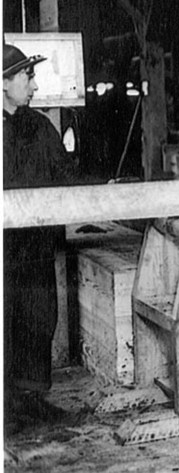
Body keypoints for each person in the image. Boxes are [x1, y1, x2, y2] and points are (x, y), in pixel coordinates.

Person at [3, 43, 75, 425]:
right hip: (4, 250)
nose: (33, 84)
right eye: (27, 76)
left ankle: (30, 399)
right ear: (4, 83)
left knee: (38, 317)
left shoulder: (38, 125)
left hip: (34, 247)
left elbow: (64, 175)